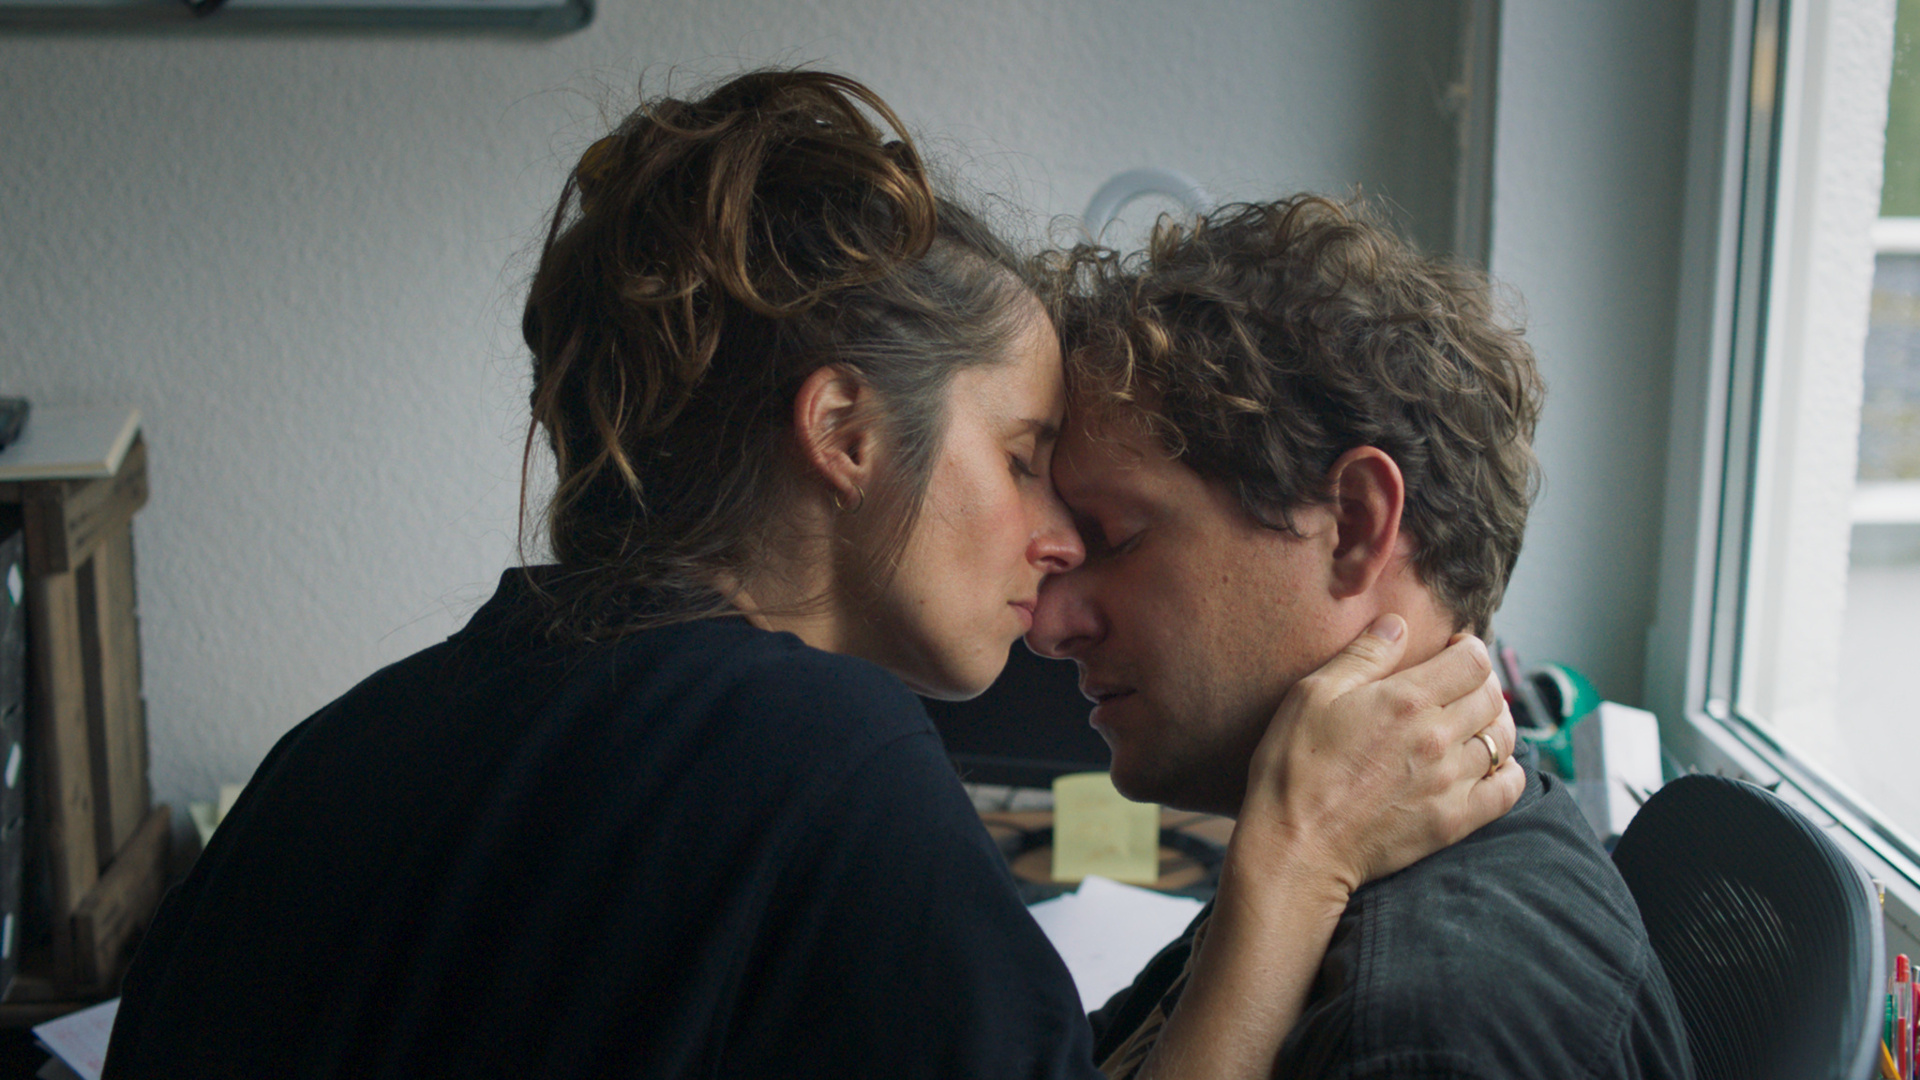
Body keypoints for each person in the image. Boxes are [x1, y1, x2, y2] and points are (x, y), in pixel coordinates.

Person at [102, 75, 1520, 1079]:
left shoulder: (332, 754)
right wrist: (1294, 864)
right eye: (1022, 456)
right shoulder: (826, 766)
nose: (1058, 541)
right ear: (845, 433)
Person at [1027, 195, 1695, 1079]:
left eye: (1116, 538)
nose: (1048, 626)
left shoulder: (1427, 1039)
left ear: (1353, 524)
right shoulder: (1331, 854)